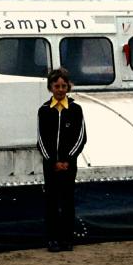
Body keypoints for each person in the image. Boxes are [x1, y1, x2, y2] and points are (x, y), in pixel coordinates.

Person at [37, 67, 87, 253]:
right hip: (50, 165)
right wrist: (52, 161)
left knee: (67, 201)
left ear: (68, 87)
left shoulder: (75, 109)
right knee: (51, 201)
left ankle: (67, 239)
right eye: (57, 86)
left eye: (63, 86)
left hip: (69, 164)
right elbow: (41, 140)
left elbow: (81, 137)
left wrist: (67, 159)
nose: (60, 89)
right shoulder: (44, 110)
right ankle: (52, 239)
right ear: (51, 87)